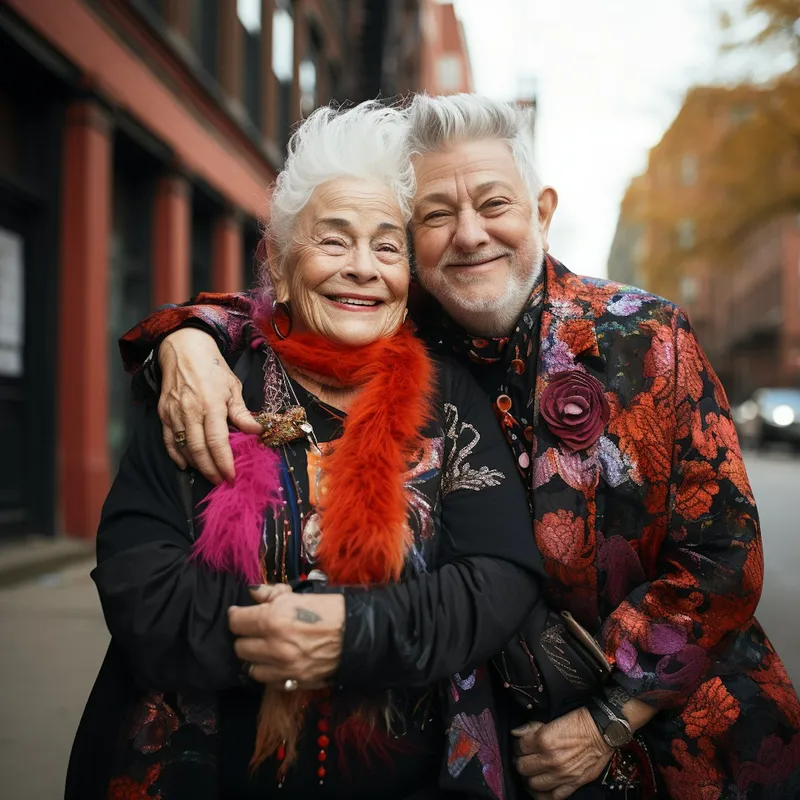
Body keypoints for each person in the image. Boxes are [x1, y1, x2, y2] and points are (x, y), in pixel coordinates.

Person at [115, 94, 800, 800]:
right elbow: (295, 291)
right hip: (505, 740)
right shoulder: (413, 325)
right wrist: (189, 337)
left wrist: (606, 721)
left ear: (541, 210)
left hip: (680, 739)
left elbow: (724, 560)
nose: (469, 235)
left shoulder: (647, 336)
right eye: (437, 215)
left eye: (494, 204)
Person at [65, 102, 554, 800]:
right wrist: (273, 644)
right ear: (284, 268)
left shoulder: (450, 399)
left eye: (388, 247)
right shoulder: (209, 385)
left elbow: (499, 576)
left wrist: (354, 635)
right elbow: (137, 583)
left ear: (408, 279)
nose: (362, 268)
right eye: (334, 241)